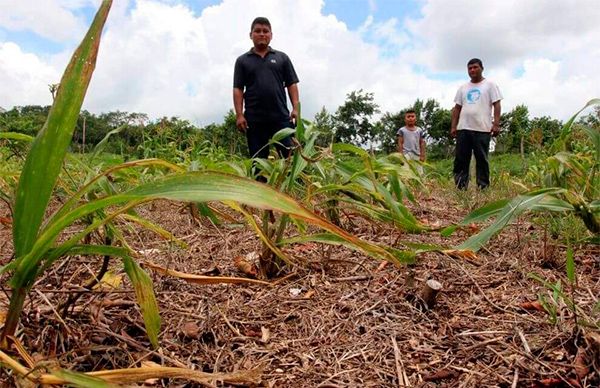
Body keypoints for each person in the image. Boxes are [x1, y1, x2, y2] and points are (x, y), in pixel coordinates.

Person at [233, 16, 299, 162]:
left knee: (290, 158)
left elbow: (291, 83)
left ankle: (293, 185)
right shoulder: (242, 61)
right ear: (251, 35)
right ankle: (259, 185)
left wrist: (295, 108)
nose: (262, 34)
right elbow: (238, 89)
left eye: (265, 31)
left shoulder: (282, 58)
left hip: (281, 118)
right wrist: (239, 115)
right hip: (254, 120)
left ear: (271, 35)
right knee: (258, 163)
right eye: (257, 31)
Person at [451, 58, 502, 190]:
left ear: (482, 68)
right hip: (463, 128)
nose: (472, 70)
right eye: (470, 68)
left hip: (482, 128)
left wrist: (496, 124)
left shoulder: (490, 85)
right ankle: (460, 188)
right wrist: (453, 126)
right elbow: (457, 108)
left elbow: (497, 104)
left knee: (482, 160)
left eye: (475, 67)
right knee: (461, 160)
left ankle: (483, 188)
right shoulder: (463, 88)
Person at [396, 109, 426, 174]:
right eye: (408, 116)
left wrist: (422, 155)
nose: (410, 118)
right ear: (405, 119)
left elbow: (422, 143)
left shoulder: (419, 130)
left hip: (417, 155)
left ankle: (418, 184)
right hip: (406, 155)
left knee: (419, 173)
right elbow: (400, 143)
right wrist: (401, 156)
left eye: (412, 116)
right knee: (406, 173)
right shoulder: (401, 130)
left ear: (415, 119)